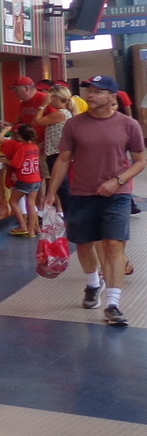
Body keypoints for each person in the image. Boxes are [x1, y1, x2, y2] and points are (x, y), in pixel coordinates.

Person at [43, 76, 147, 327]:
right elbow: (64, 159)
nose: (91, 95)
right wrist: (51, 191)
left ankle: (113, 303)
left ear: (113, 97)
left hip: (117, 195)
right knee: (85, 243)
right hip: (82, 193)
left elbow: (141, 161)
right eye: (89, 91)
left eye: (98, 92)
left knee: (113, 244)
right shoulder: (74, 125)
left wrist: (117, 181)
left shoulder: (128, 125)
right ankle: (92, 284)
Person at [35, 83, 79, 211]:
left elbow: (37, 121)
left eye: (51, 97)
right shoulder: (66, 113)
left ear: (56, 98)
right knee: (62, 186)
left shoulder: (60, 114)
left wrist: (42, 105)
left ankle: (70, 212)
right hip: (54, 150)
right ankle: (69, 212)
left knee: (62, 186)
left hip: (56, 154)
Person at [0, 124, 42, 236]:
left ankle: (22, 226)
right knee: (31, 204)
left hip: (25, 179)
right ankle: (33, 230)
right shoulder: (35, 147)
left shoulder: (23, 148)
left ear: (20, 136)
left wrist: (5, 161)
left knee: (13, 201)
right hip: (36, 178)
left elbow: (16, 164)